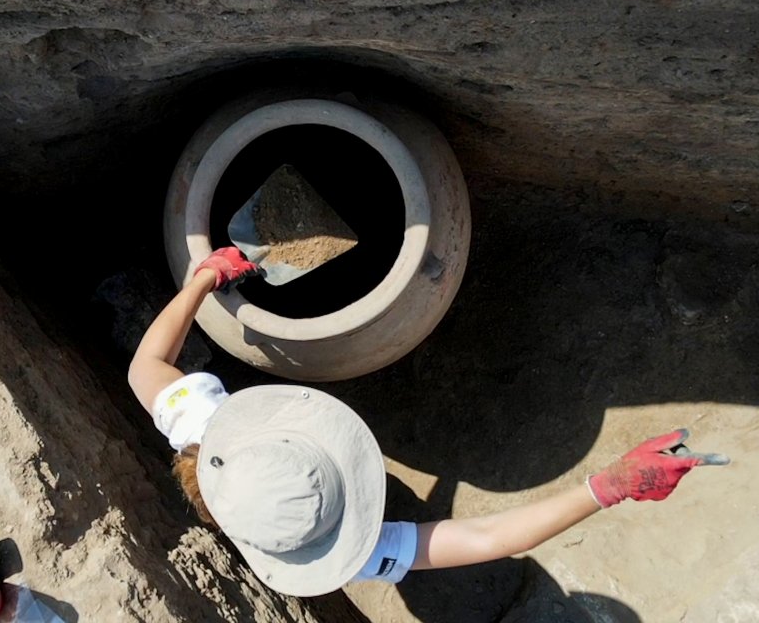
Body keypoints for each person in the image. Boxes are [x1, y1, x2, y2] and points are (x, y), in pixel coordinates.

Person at [127, 247, 728, 596]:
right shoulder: (347, 551)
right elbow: (489, 539)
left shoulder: (204, 438)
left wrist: (205, 276)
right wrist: (611, 485)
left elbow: (144, 368)